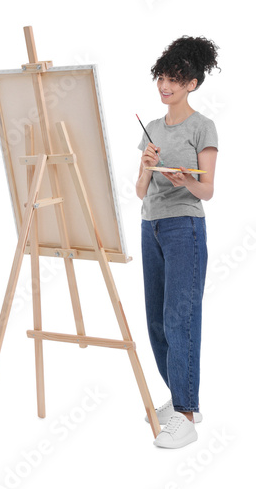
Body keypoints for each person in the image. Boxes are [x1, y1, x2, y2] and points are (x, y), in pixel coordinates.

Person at [136, 36, 220, 449]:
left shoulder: (203, 126)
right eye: (162, 78)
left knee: (179, 317)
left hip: (184, 227)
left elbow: (207, 191)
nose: (165, 86)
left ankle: (186, 412)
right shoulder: (151, 128)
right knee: (155, 320)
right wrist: (147, 166)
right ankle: (181, 396)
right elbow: (140, 190)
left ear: (193, 83)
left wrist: (186, 179)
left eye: (175, 79)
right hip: (149, 226)